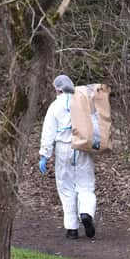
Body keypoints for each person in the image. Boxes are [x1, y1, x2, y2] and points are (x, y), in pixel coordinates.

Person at [38, 74, 96, 240]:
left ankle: (72, 229)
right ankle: (86, 213)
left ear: (57, 89)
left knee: (66, 188)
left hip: (63, 149)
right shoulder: (84, 102)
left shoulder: (55, 106)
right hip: (83, 147)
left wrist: (44, 154)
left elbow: (48, 132)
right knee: (86, 185)